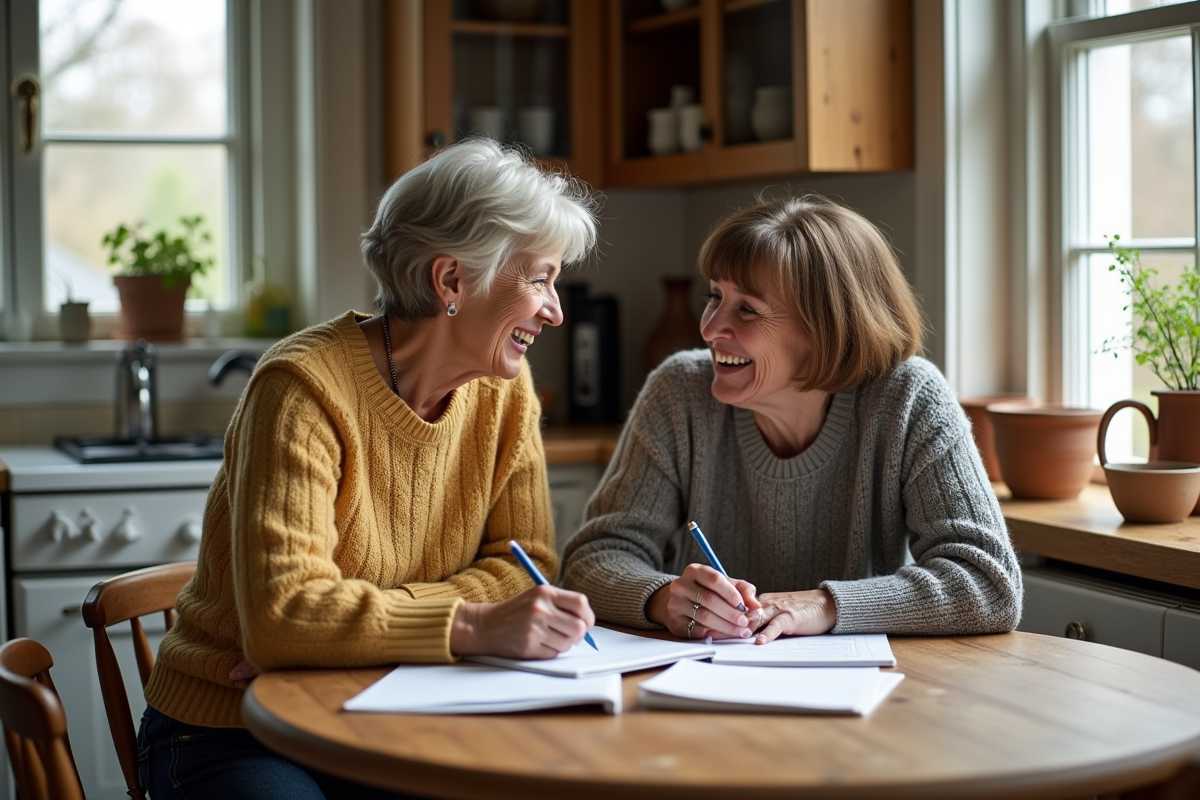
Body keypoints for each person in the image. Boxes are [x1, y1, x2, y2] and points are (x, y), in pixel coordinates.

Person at [139, 138, 600, 800]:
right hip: (233, 726)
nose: (555, 310)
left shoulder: (507, 389)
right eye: (539, 279)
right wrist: (468, 625)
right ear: (452, 280)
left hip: (394, 703)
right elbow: (285, 619)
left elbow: (523, 568)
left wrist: (350, 631)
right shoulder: (302, 388)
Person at [562, 194, 1021, 644]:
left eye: (746, 309)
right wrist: (664, 598)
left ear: (827, 330)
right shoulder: (679, 391)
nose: (710, 327)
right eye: (715, 296)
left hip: (875, 697)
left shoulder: (908, 398)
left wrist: (823, 605)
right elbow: (594, 559)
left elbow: (989, 582)